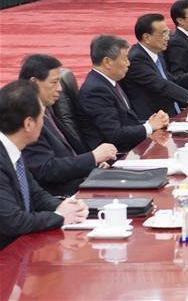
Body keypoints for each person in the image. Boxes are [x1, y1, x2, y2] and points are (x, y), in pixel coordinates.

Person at [0, 81, 88, 250]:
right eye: (42, 118)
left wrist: (62, 206)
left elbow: (36, 194)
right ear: (28, 124)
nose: (44, 123)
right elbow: (12, 221)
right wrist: (60, 217)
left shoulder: (13, 151)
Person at [18, 56, 117, 196]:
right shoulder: (25, 119)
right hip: (63, 195)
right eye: (54, 83)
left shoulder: (46, 108)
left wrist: (93, 164)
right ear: (34, 82)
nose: (59, 89)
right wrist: (92, 157)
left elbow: (68, 153)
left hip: (81, 181)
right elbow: (45, 170)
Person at [76, 35, 170, 152]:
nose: (128, 64)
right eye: (125, 58)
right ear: (108, 62)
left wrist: (151, 122)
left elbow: (125, 121)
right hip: (115, 157)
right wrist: (149, 127)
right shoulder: (95, 90)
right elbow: (114, 135)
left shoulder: (108, 82)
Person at [120, 14, 188, 119]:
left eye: (168, 32)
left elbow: (170, 80)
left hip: (172, 111)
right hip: (154, 118)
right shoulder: (137, 59)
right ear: (147, 37)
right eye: (163, 34)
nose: (167, 38)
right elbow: (162, 85)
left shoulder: (157, 52)